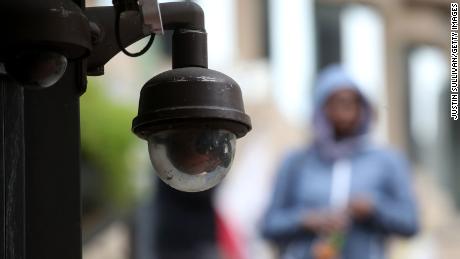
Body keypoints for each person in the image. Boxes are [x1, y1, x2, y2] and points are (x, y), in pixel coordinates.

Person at [261, 64, 419, 259]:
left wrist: (374, 208)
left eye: (351, 103)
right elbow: (268, 225)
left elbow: (410, 223)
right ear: (320, 109)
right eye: (336, 103)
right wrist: (307, 220)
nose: (345, 112)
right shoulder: (296, 162)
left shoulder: (387, 161)